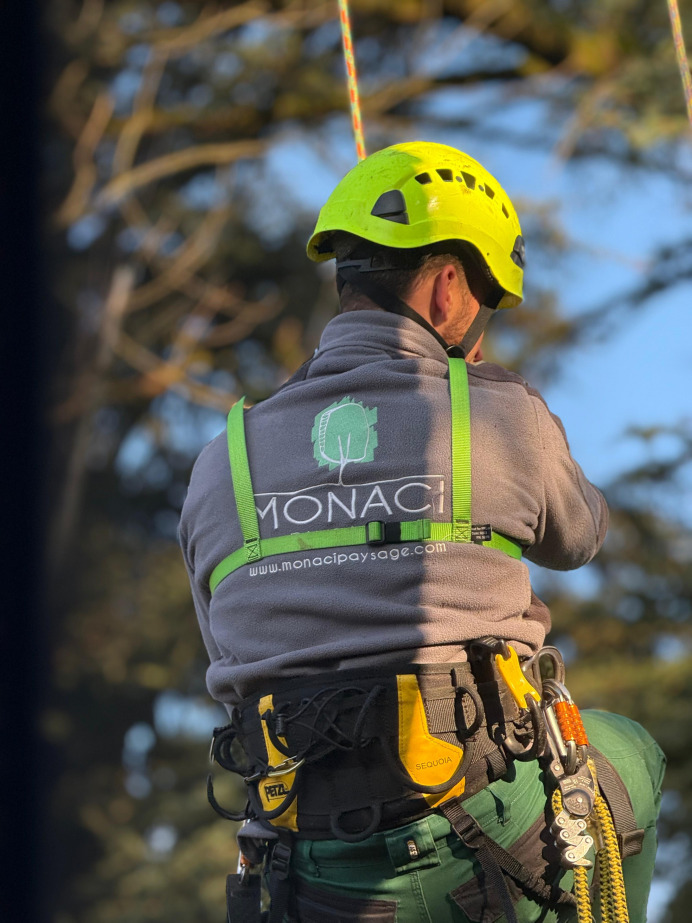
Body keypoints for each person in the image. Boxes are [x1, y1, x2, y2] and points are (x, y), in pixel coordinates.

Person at [179, 142, 665, 923]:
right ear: (446, 288)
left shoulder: (220, 461)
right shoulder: (497, 415)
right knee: (631, 751)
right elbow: (581, 535)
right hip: (487, 831)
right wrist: (498, 402)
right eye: (487, 303)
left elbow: (230, 651)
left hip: (308, 867)